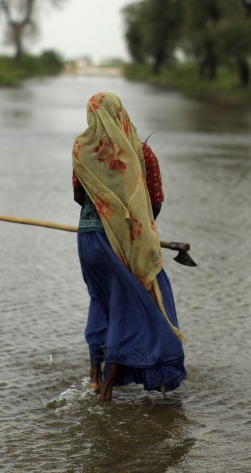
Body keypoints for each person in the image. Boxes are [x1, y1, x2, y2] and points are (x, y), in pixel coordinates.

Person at [71, 91, 186, 401]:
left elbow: (79, 198)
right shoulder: (142, 152)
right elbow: (156, 203)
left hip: (89, 239)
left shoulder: (82, 150)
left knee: (102, 300)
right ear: (120, 113)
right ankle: (110, 387)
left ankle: (95, 376)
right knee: (142, 304)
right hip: (126, 242)